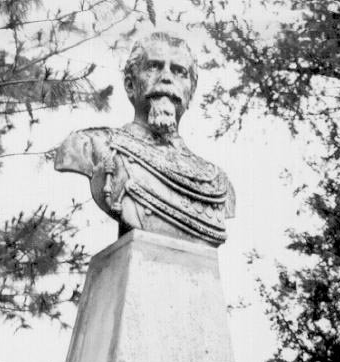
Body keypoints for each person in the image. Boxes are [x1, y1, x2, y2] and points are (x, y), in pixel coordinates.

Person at [54, 31, 235, 247]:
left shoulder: (217, 182)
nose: (166, 77)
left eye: (179, 72)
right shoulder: (89, 145)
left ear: (191, 93)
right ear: (130, 85)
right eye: (154, 67)